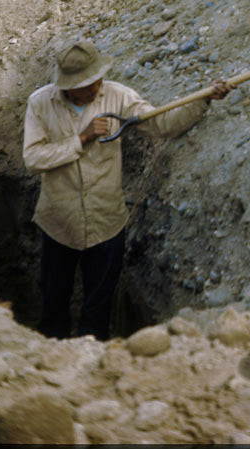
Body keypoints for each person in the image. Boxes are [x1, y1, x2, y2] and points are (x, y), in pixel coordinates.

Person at [23, 38, 231, 340]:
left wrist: (204, 100)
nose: (96, 87)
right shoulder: (41, 103)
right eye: (86, 83)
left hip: (106, 225)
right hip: (59, 224)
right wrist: (80, 139)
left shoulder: (119, 97)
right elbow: (33, 158)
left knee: (97, 310)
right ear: (66, 85)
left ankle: (94, 369)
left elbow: (162, 124)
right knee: (54, 304)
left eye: (97, 79)